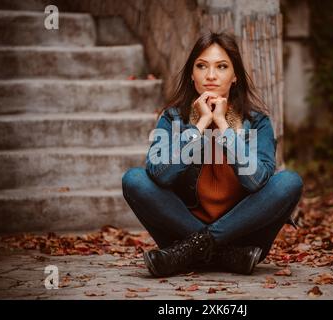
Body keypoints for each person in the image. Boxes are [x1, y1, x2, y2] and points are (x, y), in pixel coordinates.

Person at [122, 31, 303, 277]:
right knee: (134, 180)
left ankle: (195, 249)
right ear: (191, 76)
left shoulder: (257, 122)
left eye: (221, 66)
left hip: (243, 235)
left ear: (235, 76)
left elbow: (257, 180)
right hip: (182, 230)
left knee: (289, 182)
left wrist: (224, 127)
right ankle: (224, 254)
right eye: (201, 66)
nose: (210, 76)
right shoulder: (172, 118)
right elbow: (160, 175)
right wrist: (197, 128)